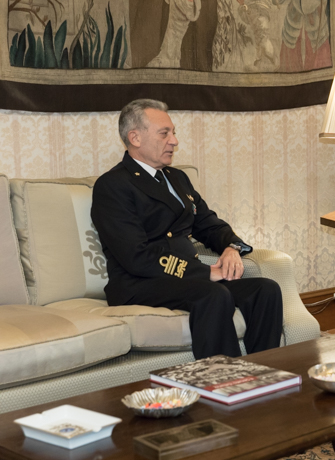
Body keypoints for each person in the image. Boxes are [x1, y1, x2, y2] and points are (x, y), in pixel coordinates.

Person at [92, 99, 283, 359]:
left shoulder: (177, 178)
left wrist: (230, 246)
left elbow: (208, 223)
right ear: (135, 137)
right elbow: (136, 257)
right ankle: (222, 382)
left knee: (266, 289)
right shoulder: (113, 185)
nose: (174, 141)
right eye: (164, 133)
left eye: (174, 132)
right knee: (213, 294)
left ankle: (263, 371)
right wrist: (204, 273)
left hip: (184, 279)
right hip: (139, 283)